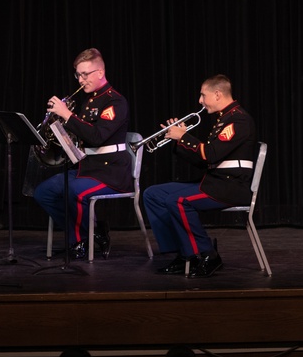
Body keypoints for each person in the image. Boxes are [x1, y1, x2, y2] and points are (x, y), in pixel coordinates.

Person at [143, 74, 258, 278]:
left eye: (203, 95)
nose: (200, 101)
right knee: (153, 194)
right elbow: (204, 160)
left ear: (217, 94)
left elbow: (211, 153)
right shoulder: (224, 119)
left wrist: (185, 137)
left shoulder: (238, 119)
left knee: (177, 201)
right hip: (216, 182)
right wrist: (179, 140)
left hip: (230, 187)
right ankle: (184, 253)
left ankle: (206, 254)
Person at [33, 48, 132, 260]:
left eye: (85, 74)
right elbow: (81, 136)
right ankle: (92, 232)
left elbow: (97, 137)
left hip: (110, 171)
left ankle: (79, 242)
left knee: (73, 191)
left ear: (100, 72)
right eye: (78, 74)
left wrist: (67, 115)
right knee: (43, 192)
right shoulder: (88, 100)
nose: (80, 80)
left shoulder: (115, 102)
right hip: (87, 167)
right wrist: (58, 131)